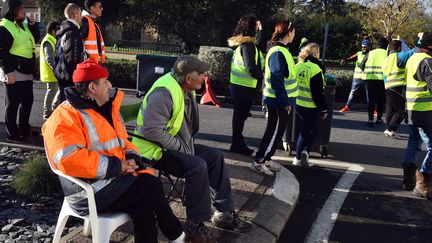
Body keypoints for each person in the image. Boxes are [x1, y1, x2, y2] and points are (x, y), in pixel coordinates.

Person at [42, 60, 186, 243]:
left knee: (144, 206)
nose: (110, 85)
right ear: (92, 87)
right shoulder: (64, 116)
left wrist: (132, 158)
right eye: (105, 81)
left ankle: (174, 235)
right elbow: (70, 159)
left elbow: (124, 142)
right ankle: (176, 235)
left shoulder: (107, 109)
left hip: (108, 182)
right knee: (150, 184)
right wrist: (119, 166)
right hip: (86, 193)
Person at [132, 56, 252, 242]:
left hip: (172, 145)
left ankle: (224, 214)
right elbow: (151, 130)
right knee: (197, 166)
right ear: (189, 78)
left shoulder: (184, 88)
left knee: (215, 156)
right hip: (153, 150)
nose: (205, 77)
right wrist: (180, 146)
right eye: (202, 73)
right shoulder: (164, 93)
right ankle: (194, 225)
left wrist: (183, 146)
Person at [252, 20, 297, 176]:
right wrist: (285, 102)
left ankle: (266, 158)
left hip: (278, 99)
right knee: (274, 131)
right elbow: (277, 78)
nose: (295, 34)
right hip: (277, 100)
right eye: (294, 31)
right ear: (288, 32)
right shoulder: (278, 51)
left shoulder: (281, 49)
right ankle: (259, 161)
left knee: (276, 131)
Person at [0, 0, 40, 142]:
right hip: (14, 71)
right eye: (21, 8)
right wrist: (8, 72)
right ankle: (12, 134)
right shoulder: (4, 26)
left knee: (28, 101)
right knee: (13, 104)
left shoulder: (24, 24)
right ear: (13, 10)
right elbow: (2, 52)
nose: (24, 10)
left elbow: (35, 39)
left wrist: (33, 25)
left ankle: (24, 128)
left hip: (26, 70)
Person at [400, 32, 432, 200]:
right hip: (424, 109)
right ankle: (423, 182)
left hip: (412, 108)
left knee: (413, 143)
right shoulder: (427, 61)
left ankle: (408, 180)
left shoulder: (413, 58)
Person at [227, 14, 264, 155]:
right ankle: (237, 144)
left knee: (239, 118)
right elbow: (250, 68)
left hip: (238, 87)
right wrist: (264, 76)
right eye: (255, 25)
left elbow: (257, 43)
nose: (256, 27)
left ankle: (237, 143)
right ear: (251, 27)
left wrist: (260, 30)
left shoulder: (243, 43)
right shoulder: (248, 45)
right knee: (239, 119)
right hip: (244, 88)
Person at [292, 43, 327, 167]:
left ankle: (304, 153)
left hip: (298, 103)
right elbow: (317, 93)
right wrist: (324, 109)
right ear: (316, 54)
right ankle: (299, 156)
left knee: (307, 129)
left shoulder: (298, 65)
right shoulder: (315, 69)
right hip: (311, 106)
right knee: (308, 131)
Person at [382, 40, 414, 137]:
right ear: (399, 48)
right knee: (401, 110)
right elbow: (414, 51)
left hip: (388, 87)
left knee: (390, 110)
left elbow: (384, 76)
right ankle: (390, 128)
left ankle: (389, 130)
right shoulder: (400, 56)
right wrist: (421, 39)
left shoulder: (386, 60)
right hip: (398, 87)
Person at [55, 3, 85, 102]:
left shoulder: (63, 30)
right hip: (70, 76)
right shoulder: (73, 32)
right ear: (75, 15)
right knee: (69, 105)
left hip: (62, 73)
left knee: (64, 103)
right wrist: (76, 77)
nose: (82, 17)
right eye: (80, 14)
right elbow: (73, 57)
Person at [360, 37, 389, 127]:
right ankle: (379, 119)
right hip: (383, 80)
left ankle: (370, 120)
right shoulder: (388, 53)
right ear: (386, 45)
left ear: (378, 44)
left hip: (369, 79)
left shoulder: (370, 53)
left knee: (371, 101)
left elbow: (361, 65)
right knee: (381, 100)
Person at [339, 39, 370, 113]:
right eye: (362, 47)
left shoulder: (371, 54)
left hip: (367, 77)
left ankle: (373, 109)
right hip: (357, 77)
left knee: (369, 94)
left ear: (369, 47)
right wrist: (345, 61)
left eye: (365, 47)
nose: (363, 48)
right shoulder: (359, 53)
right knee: (352, 92)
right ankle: (347, 107)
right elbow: (351, 58)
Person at [40, 21, 61, 120]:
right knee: (52, 91)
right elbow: (49, 58)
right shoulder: (48, 40)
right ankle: (47, 112)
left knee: (58, 90)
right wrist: (55, 68)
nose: (59, 31)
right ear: (53, 31)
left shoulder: (53, 39)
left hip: (54, 71)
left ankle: (52, 108)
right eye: (57, 29)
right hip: (51, 71)